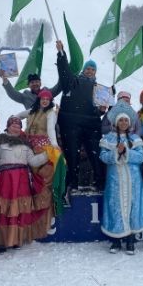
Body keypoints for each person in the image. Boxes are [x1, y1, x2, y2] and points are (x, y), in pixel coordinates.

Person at [0, 116, 50, 252]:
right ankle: (2, 240)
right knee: (5, 209)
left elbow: (32, 161)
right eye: (13, 125)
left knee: (20, 209)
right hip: (5, 180)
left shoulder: (25, 144)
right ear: (8, 126)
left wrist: (48, 155)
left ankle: (15, 238)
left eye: (18, 126)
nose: (15, 128)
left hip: (22, 180)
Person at [99, 103, 143, 255]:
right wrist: (116, 152)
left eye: (126, 121)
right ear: (116, 122)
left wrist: (126, 151)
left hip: (133, 179)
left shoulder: (135, 138)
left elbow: (141, 157)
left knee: (133, 206)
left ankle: (130, 240)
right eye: (121, 120)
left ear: (130, 123)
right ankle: (116, 240)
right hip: (115, 179)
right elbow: (103, 157)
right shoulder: (108, 138)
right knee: (116, 206)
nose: (123, 123)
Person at [55, 40, 105, 195]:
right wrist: (61, 54)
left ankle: (99, 183)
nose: (90, 71)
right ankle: (72, 183)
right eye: (88, 68)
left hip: (91, 124)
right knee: (72, 155)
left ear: (95, 72)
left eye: (92, 69)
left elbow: (100, 110)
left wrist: (102, 110)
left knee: (95, 153)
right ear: (83, 70)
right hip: (71, 123)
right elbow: (64, 71)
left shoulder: (100, 89)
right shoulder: (73, 81)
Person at [16, 89, 65, 210]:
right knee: (28, 171)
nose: (45, 101)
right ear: (39, 99)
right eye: (43, 99)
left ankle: (42, 200)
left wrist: (54, 144)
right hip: (28, 144)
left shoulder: (50, 113)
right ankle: (28, 198)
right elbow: (18, 116)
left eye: (47, 100)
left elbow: (51, 129)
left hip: (41, 145)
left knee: (38, 172)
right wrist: (13, 124)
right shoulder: (32, 111)